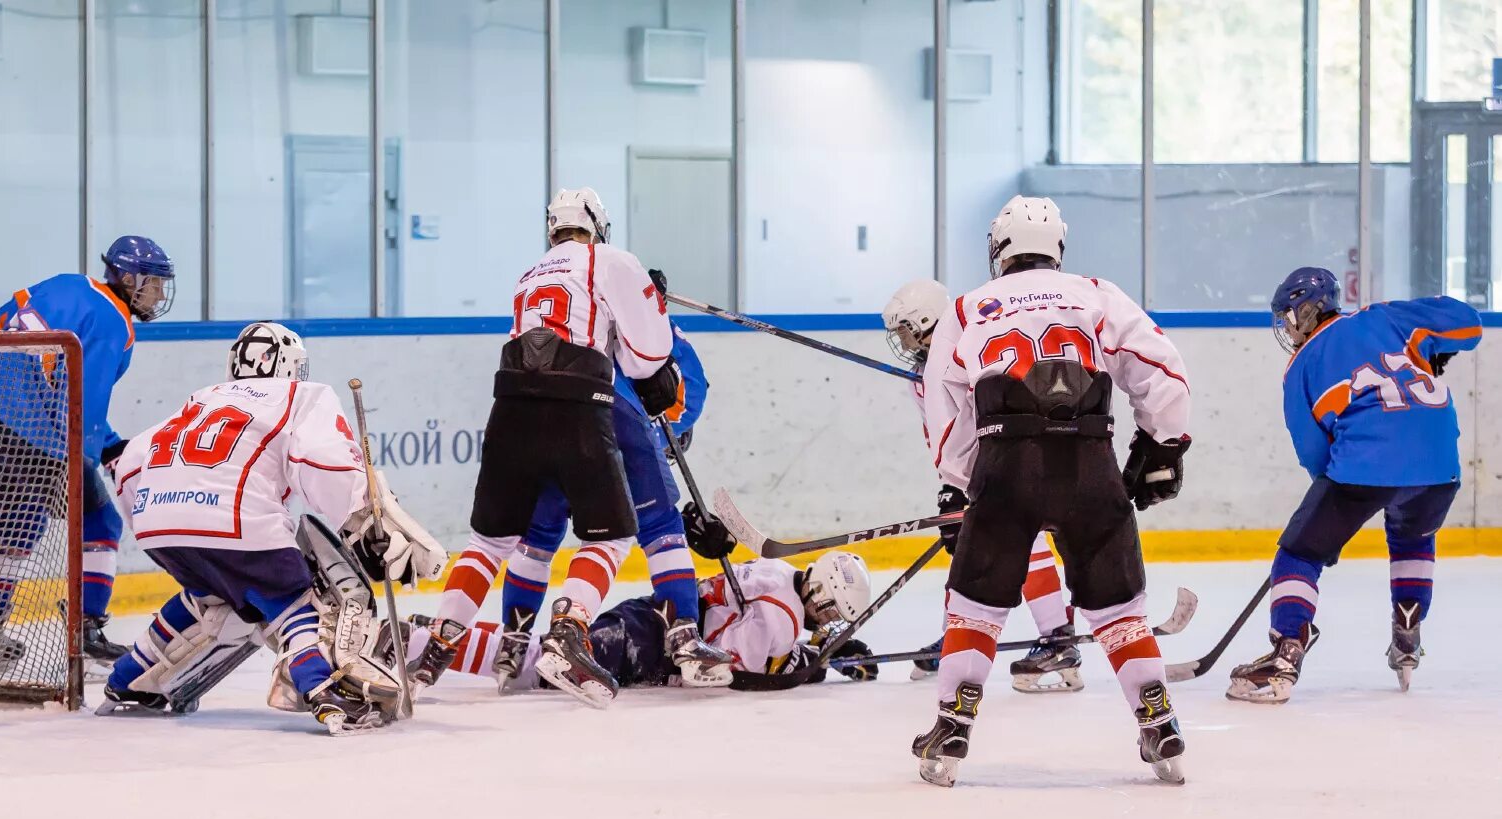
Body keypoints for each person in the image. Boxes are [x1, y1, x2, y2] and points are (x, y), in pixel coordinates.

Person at [914, 196, 1193, 787]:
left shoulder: (966, 308)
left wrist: (960, 486)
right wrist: (1163, 444)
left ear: (998, 248)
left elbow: (946, 412)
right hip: (1090, 463)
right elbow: (1160, 367)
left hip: (1005, 465)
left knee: (976, 604)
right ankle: (1157, 716)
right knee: (1118, 608)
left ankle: (953, 723)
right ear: (1057, 246)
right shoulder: (1095, 293)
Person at [425, 187, 723, 708]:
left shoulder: (529, 276)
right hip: (588, 408)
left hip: (511, 406)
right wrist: (647, 307)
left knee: (505, 541)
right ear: (597, 225)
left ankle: (476, 643)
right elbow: (650, 360)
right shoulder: (610, 260)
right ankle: (674, 640)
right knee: (636, 531)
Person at [97, 322, 447, 734]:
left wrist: (152, 516)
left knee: (209, 599)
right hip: (233, 520)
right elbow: (322, 459)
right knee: (296, 602)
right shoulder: (302, 393)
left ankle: (125, 682)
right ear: (293, 366)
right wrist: (361, 519)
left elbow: (133, 462)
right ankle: (324, 690)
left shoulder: (200, 398)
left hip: (156, 521)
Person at [1227, 268, 1482, 703]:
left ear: (1308, 310)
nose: (1287, 327)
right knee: (1412, 540)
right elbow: (1468, 324)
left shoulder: (1301, 364)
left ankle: (1284, 656)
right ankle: (1407, 636)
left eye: (1289, 316)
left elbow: (1315, 455)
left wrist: (1329, 519)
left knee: (1299, 553)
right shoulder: (1385, 317)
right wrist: (1438, 347)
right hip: (1441, 464)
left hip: (1366, 464)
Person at [0, 236, 175, 668]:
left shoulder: (66, 284)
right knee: (100, 519)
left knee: (20, 521)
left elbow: (0, 320)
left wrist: (110, 442)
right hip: (41, 438)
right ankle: (87, 627)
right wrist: (91, 459)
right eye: (154, 284)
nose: (160, 294)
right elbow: (83, 398)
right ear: (129, 279)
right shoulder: (116, 321)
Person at [882, 279, 1083, 692]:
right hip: (985, 466)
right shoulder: (922, 377)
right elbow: (942, 434)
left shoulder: (972, 348)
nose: (902, 341)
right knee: (973, 545)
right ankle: (961, 639)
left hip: (1027, 454)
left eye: (906, 329)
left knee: (1022, 539)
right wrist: (951, 487)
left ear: (928, 322)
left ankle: (1059, 637)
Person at [417, 551, 875, 691]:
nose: (827, 619)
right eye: (832, 609)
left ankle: (429, 636)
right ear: (820, 592)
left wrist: (811, 656)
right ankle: (421, 640)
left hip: (648, 615)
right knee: (536, 666)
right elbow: (723, 671)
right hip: (648, 648)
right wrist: (805, 666)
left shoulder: (777, 570)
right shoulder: (782, 621)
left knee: (536, 656)